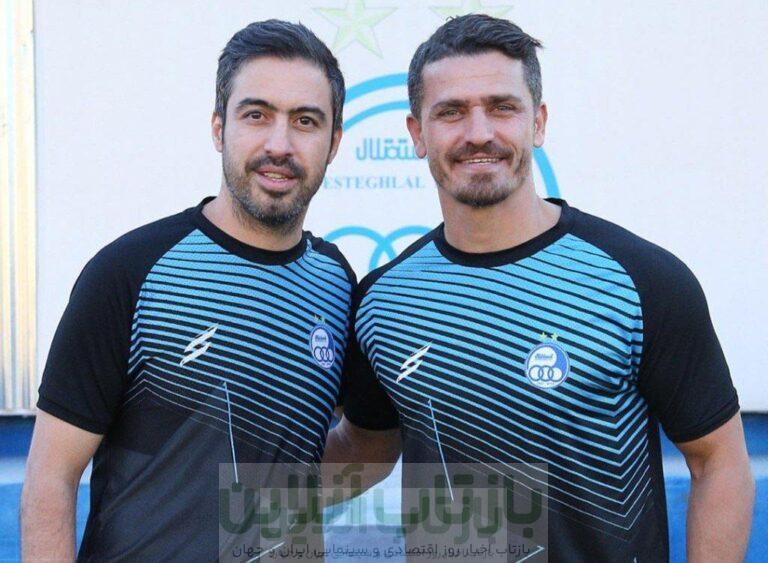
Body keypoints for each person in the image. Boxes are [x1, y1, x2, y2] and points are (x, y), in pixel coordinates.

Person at [325, 14, 755, 562]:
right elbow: (365, 446)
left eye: (502, 107)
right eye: (451, 112)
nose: (478, 133)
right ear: (417, 133)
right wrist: (228, 490)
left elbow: (719, 461)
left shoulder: (640, 280)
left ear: (538, 122)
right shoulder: (384, 302)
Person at [21, 20, 354, 562]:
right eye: (256, 115)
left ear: (333, 143)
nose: (279, 144)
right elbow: (50, 479)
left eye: (305, 121)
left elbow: (364, 434)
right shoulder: (130, 270)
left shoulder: (335, 281)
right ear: (219, 128)